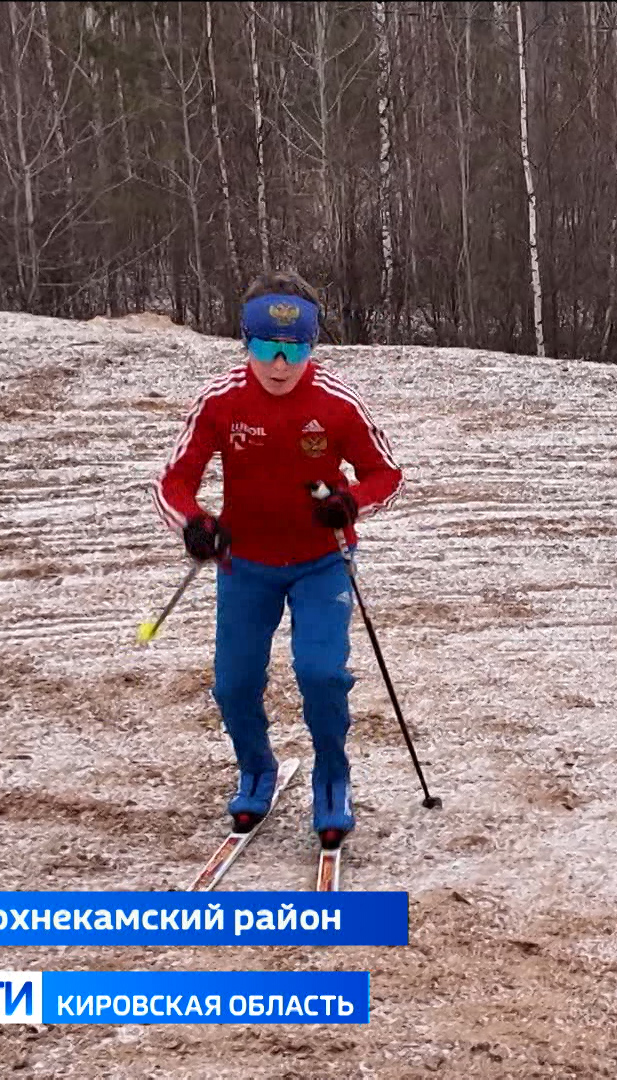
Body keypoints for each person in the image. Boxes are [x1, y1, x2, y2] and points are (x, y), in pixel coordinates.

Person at [155, 270, 405, 846]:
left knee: (321, 674)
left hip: (323, 562)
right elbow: (172, 483)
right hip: (245, 564)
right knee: (233, 684)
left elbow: (387, 474)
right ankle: (257, 769)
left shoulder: (338, 403)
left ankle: (332, 779)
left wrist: (352, 502)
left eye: (295, 348)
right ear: (245, 341)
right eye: (265, 346)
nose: (279, 363)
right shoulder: (220, 401)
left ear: (312, 346)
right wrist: (194, 525)